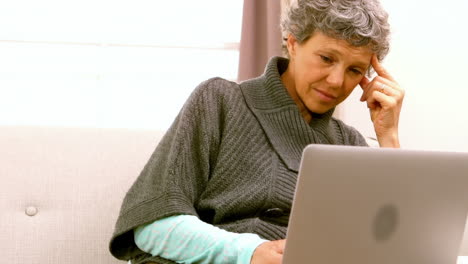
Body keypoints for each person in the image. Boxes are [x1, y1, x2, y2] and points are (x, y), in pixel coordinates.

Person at [109, 0, 404, 263]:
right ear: (292, 43)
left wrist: (388, 136)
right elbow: (152, 226)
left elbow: (391, 246)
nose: (337, 81)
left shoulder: (348, 143)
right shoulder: (219, 101)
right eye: (326, 58)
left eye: (355, 70)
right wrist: (247, 252)